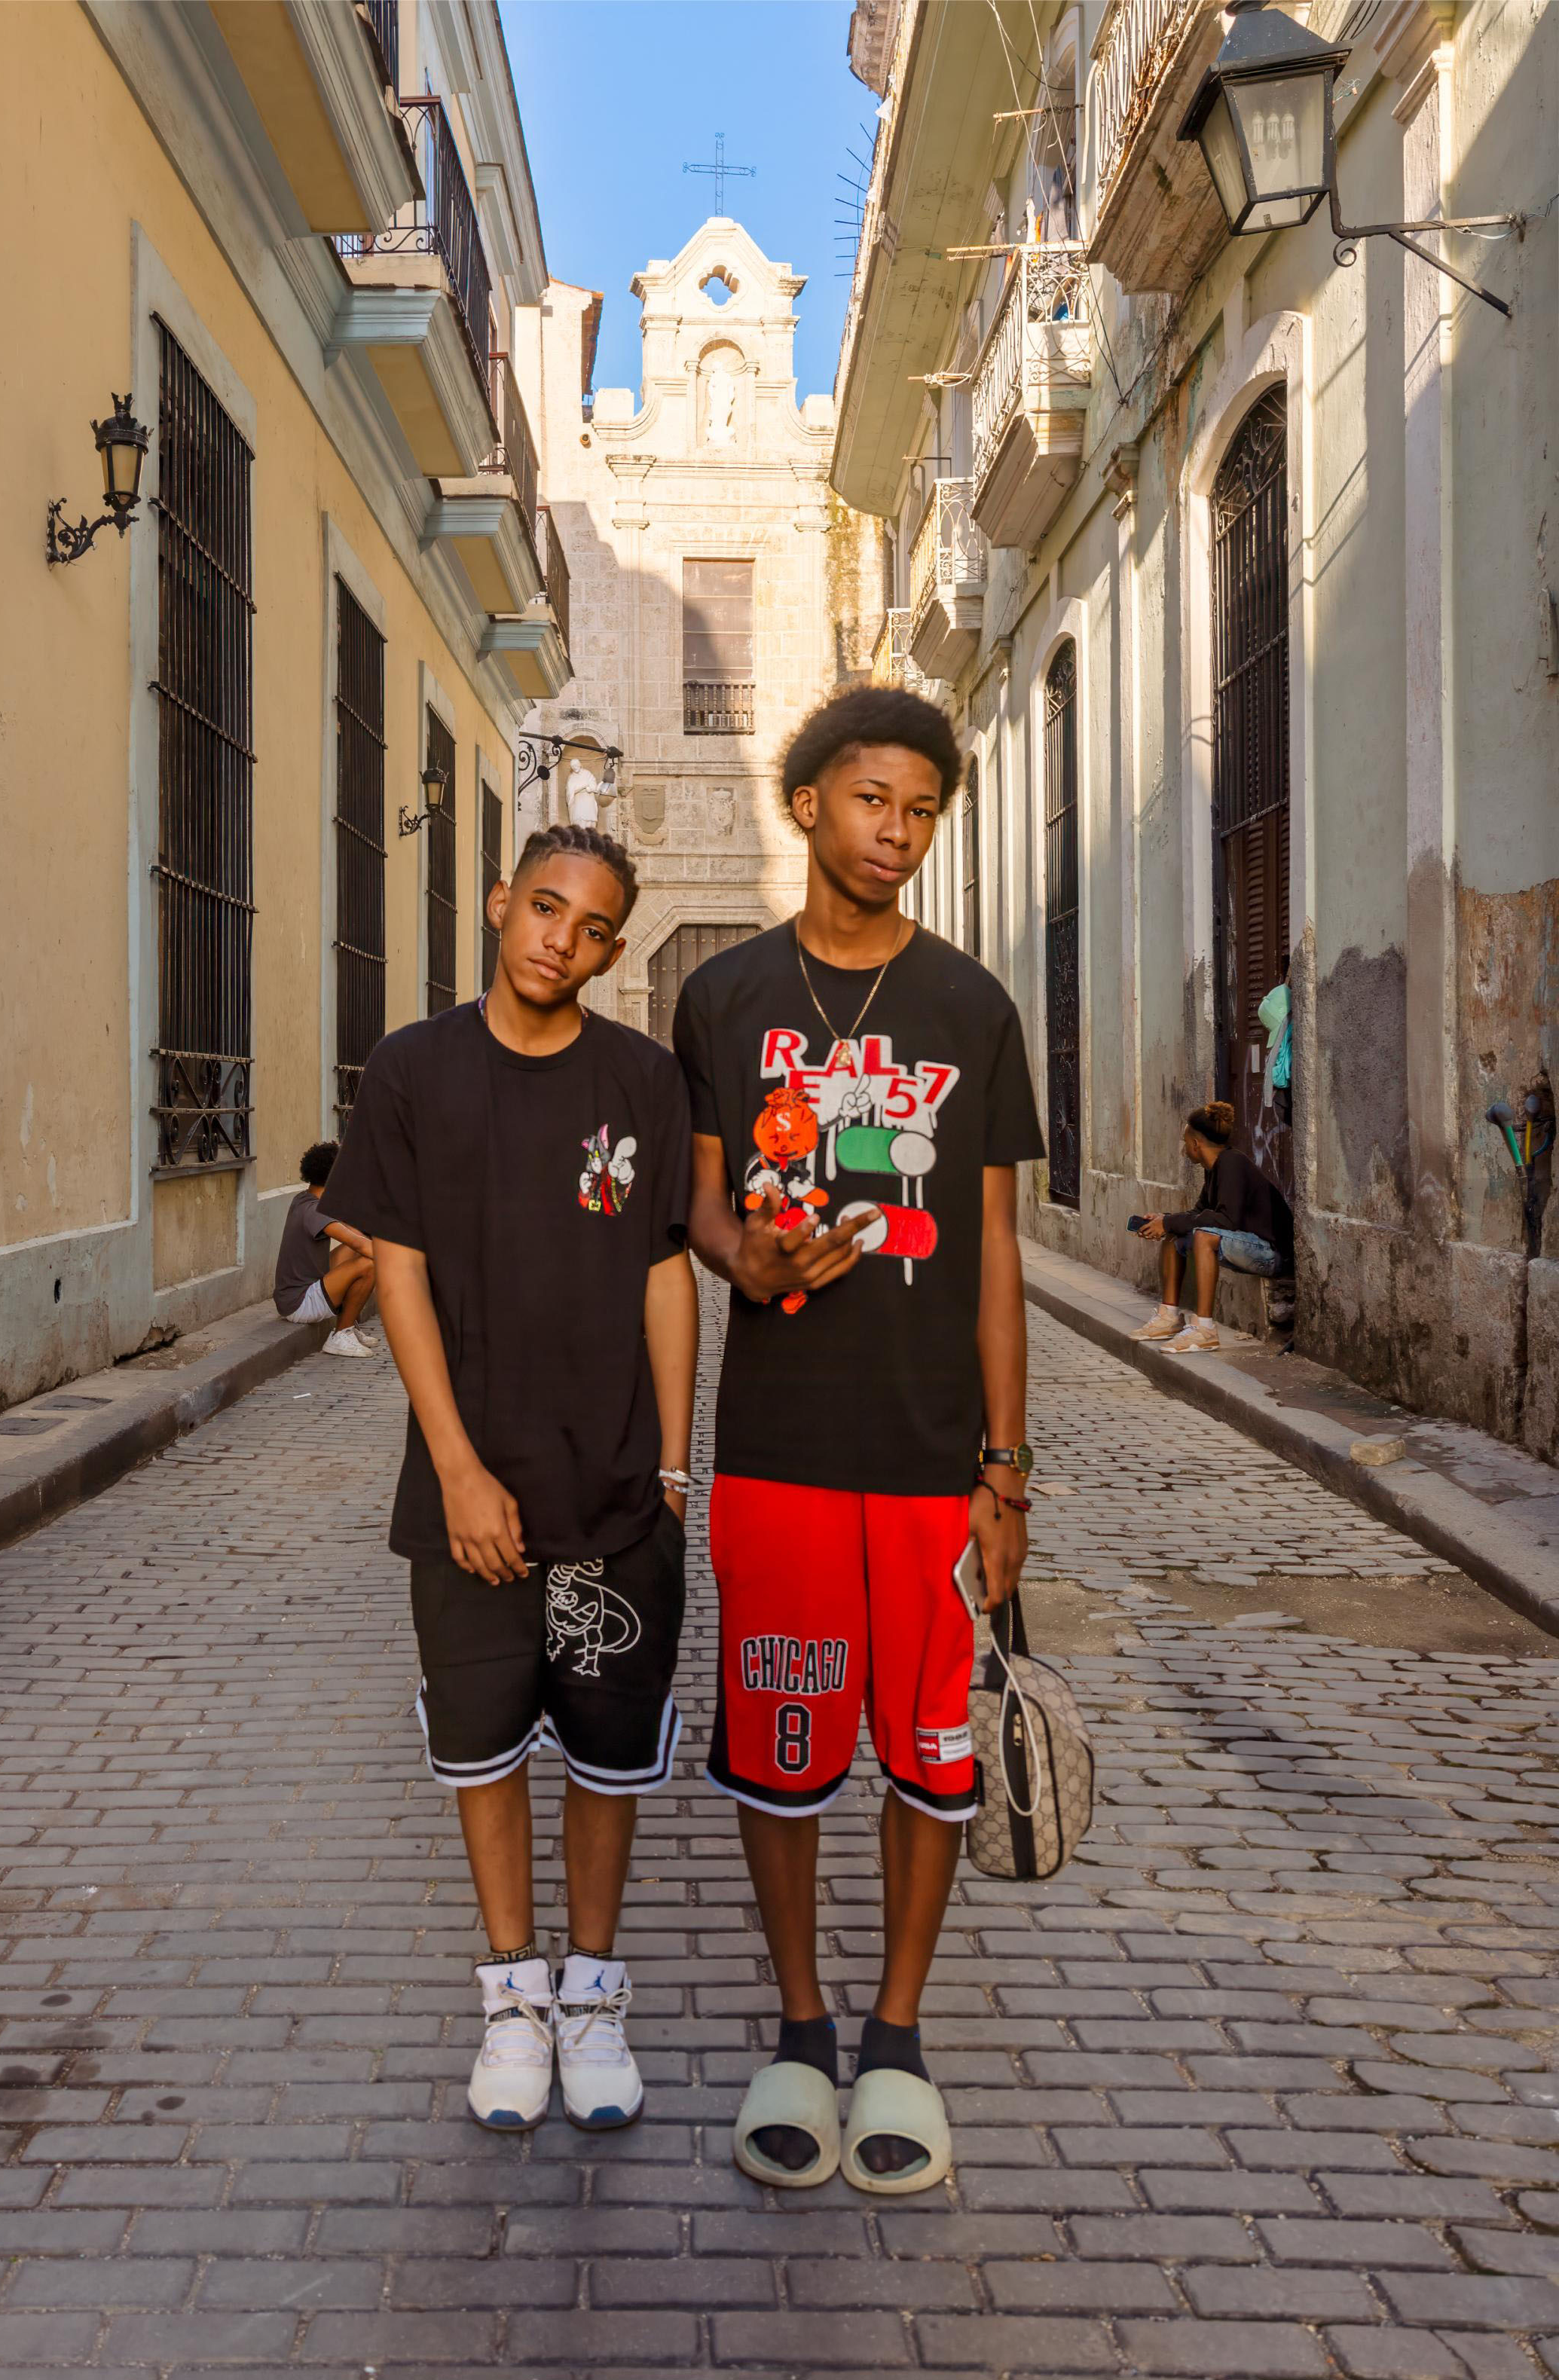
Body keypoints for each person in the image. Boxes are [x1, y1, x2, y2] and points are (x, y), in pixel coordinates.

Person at [672, 686, 1045, 2198]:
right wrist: (739, 1262)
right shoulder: (724, 998)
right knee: (781, 1743)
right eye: (870, 800)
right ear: (808, 801)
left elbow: (999, 1256)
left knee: (930, 1755)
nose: (894, 833)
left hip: (928, 1455)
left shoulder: (972, 1008)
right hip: (775, 1444)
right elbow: (699, 1202)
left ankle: (898, 2028)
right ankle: (802, 2024)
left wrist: (1007, 1465)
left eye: (920, 810)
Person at [322, 823, 697, 2136]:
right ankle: (512, 1999)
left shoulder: (643, 1078)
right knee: (483, 1746)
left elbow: (665, 1266)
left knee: (606, 1752)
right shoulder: (413, 1070)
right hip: (468, 1488)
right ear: (499, 902)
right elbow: (398, 1269)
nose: (563, 940)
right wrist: (460, 1465)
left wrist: (670, 1459)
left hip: (614, 1485)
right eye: (546, 908)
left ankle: (592, 1994)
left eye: (595, 928)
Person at [1130, 1099, 1295, 1352]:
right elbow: (1200, 1213)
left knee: (1204, 1237)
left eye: (1185, 1142)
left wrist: (1171, 1221)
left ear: (1196, 1144)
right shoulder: (1215, 1168)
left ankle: (1204, 1328)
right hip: (1248, 1246)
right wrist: (1165, 1220)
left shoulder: (1232, 1163)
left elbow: (1227, 1221)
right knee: (1175, 1234)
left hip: (1271, 1253)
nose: (1184, 1148)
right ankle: (1169, 1317)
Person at [272, 1141, 377, 1357]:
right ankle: (340, 1335)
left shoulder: (306, 1199)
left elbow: (355, 1232)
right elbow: (358, 1242)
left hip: (298, 1292)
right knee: (370, 1263)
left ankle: (349, 1323)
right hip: (299, 1304)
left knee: (360, 1248)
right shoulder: (315, 1211)